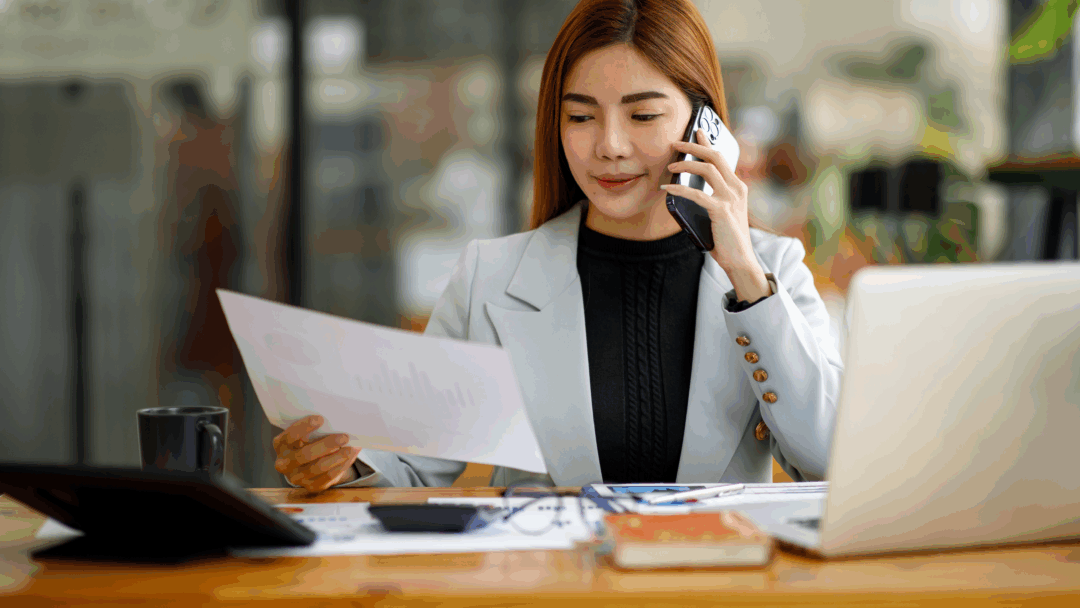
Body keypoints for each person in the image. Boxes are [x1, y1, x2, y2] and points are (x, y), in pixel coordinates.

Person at [273, 0, 842, 492]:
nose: (610, 146)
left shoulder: (771, 272)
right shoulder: (490, 278)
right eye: (580, 116)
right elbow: (411, 468)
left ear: (705, 129)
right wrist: (340, 467)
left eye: (643, 115)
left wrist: (743, 268)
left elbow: (826, 460)